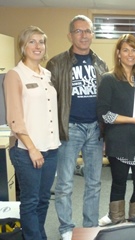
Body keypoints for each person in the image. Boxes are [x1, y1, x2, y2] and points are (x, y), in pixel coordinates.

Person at [46, 15, 108, 240]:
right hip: (69, 127)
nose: (84, 35)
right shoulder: (56, 63)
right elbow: (49, 101)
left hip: (95, 129)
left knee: (94, 183)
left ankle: (90, 227)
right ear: (70, 35)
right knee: (64, 184)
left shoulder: (101, 63)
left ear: (92, 34)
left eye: (88, 31)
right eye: (78, 31)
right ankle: (66, 228)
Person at [4, 26, 60, 240]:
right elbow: (15, 119)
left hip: (51, 148)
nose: (37, 46)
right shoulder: (15, 75)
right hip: (28, 150)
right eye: (32, 42)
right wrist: (32, 148)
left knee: (44, 199)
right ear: (23, 46)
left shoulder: (47, 74)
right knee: (30, 200)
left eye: (41, 42)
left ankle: (38, 236)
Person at [97, 34, 135, 224]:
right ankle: (118, 224)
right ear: (118, 54)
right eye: (126, 50)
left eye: (134, 50)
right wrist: (132, 120)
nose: (130, 54)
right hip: (120, 142)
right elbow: (104, 114)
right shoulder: (109, 79)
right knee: (119, 184)